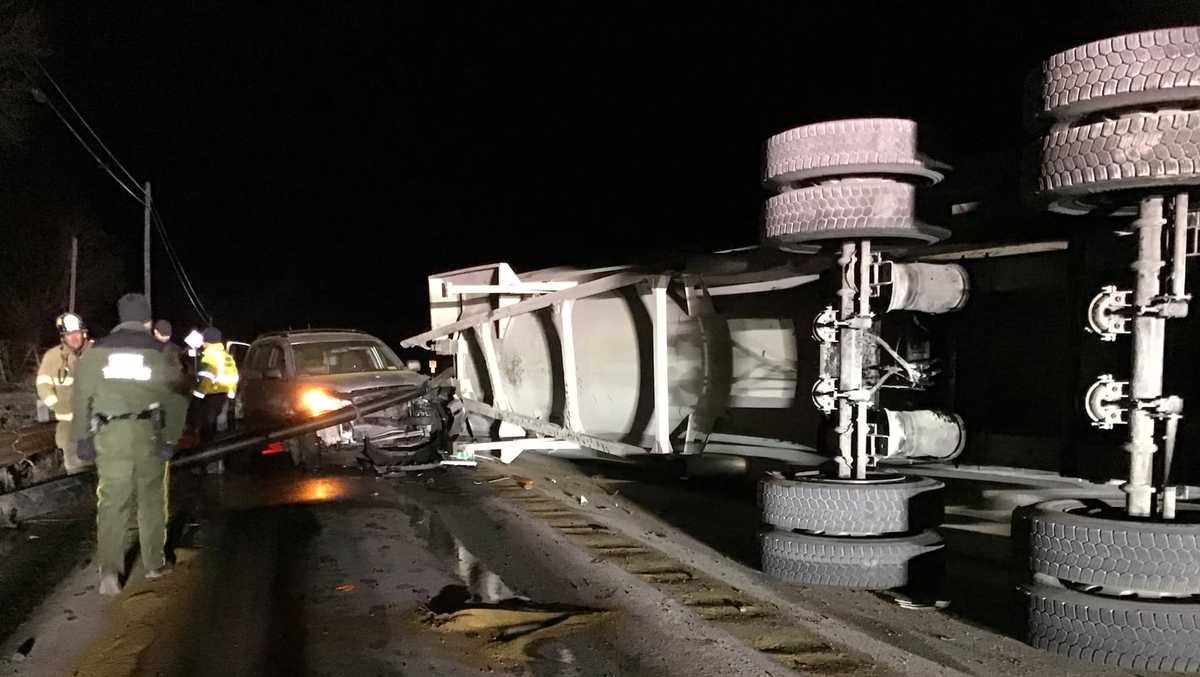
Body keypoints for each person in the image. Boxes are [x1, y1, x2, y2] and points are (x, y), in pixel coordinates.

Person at [71, 294, 187, 596]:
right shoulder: (160, 352)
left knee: (111, 502)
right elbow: (177, 399)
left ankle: (110, 571)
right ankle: (154, 564)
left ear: (120, 317)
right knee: (151, 500)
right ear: (147, 321)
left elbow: (81, 398)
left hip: (110, 436)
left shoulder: (96, 353)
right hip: (149, 433)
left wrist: (82, 439)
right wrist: (171, 439)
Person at [36, 312, 92, 474]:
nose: (74, 338)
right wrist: (55, 404)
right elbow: (42, 384)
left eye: (77, 333)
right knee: (77, 475)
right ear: (63, 337)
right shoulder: (53, 357)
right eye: (69, 335)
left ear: (83, 333)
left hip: (100, 427)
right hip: (70, 429)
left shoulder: (97, 353)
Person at [191, 327, 238, 445]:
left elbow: (206, 378)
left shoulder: (210, 355)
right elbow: (234, 375)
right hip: (226, 394)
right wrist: (232, 395)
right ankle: (220, 453)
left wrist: (197, 396)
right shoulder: (226, 356)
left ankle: (208, 453)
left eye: (203, 340)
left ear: (207, 341)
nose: (202, 343)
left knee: (208, 427)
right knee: (221, 427)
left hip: (212, 394)